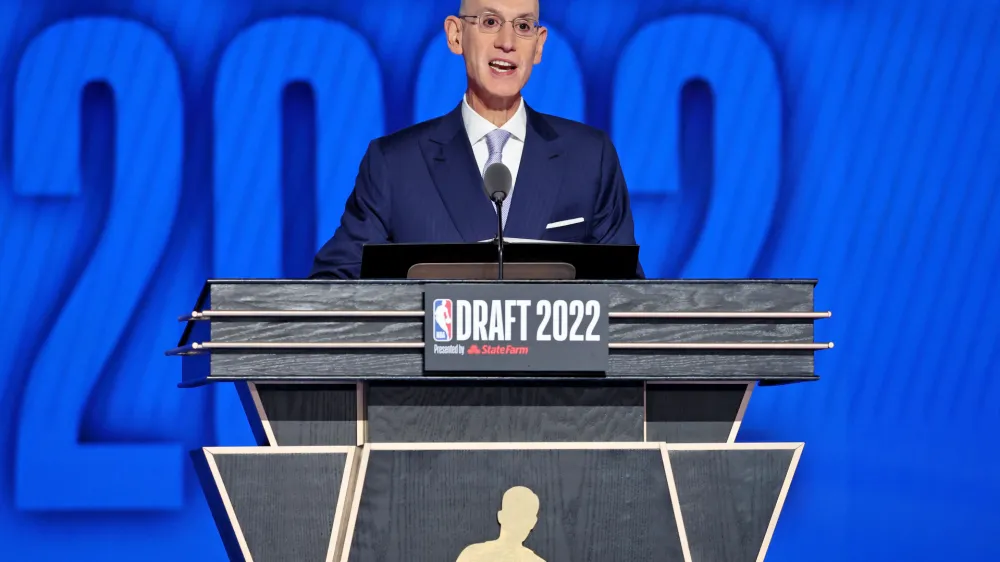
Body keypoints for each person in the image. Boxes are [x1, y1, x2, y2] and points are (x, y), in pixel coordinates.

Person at [310, 0, 643, 279]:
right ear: (456, 36)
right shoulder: (395, 164)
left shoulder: (589, 157)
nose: (507, 42)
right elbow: (334, 285)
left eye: (523, 26)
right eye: (490, 21)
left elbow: (629, 297)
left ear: (539, 45)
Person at [456, 486, 545, 562]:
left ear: (533, 522)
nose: (520, 523)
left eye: (526, 517)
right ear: (501, 516)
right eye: (515, 515)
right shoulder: (473, 555)